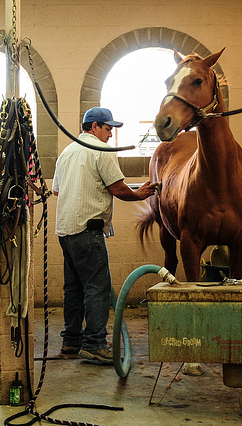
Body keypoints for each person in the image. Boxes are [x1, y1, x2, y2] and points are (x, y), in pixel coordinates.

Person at [52, 107, 157, 365]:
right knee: (97, 289)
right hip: (88, 231)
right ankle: (95, 344)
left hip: (66, 231)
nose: (111, 135)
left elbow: (57, 191)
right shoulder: (102, 150)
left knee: (73, 289)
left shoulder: (67, 151)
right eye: (108, 129)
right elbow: (118, 189)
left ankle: (71, 341)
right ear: (95, 126)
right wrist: (140, 195)